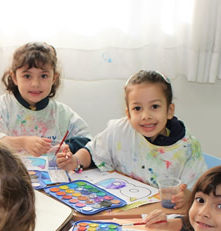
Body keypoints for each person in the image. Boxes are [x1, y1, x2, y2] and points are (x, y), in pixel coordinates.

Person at [57, 70, 208, 210]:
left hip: (164, 216)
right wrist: (75, 161)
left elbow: (200, 195)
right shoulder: (119, 130)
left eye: (154, 106)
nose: (145, 116)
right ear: (128, 113)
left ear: (169, 110)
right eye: (137, 108)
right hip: (120, 211)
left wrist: (188, 197)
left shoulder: (187, 148)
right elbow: (92, 151)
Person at [0, 42, 92, 157]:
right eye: (27, 76)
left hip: (53, 173)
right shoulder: (2, 107)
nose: (35, 84)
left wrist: (69, 147)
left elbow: (89, 142)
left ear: (54, 78)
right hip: (9, 173)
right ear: (14, 78)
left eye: (43, 76)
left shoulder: (62, 113)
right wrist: (22, 143)